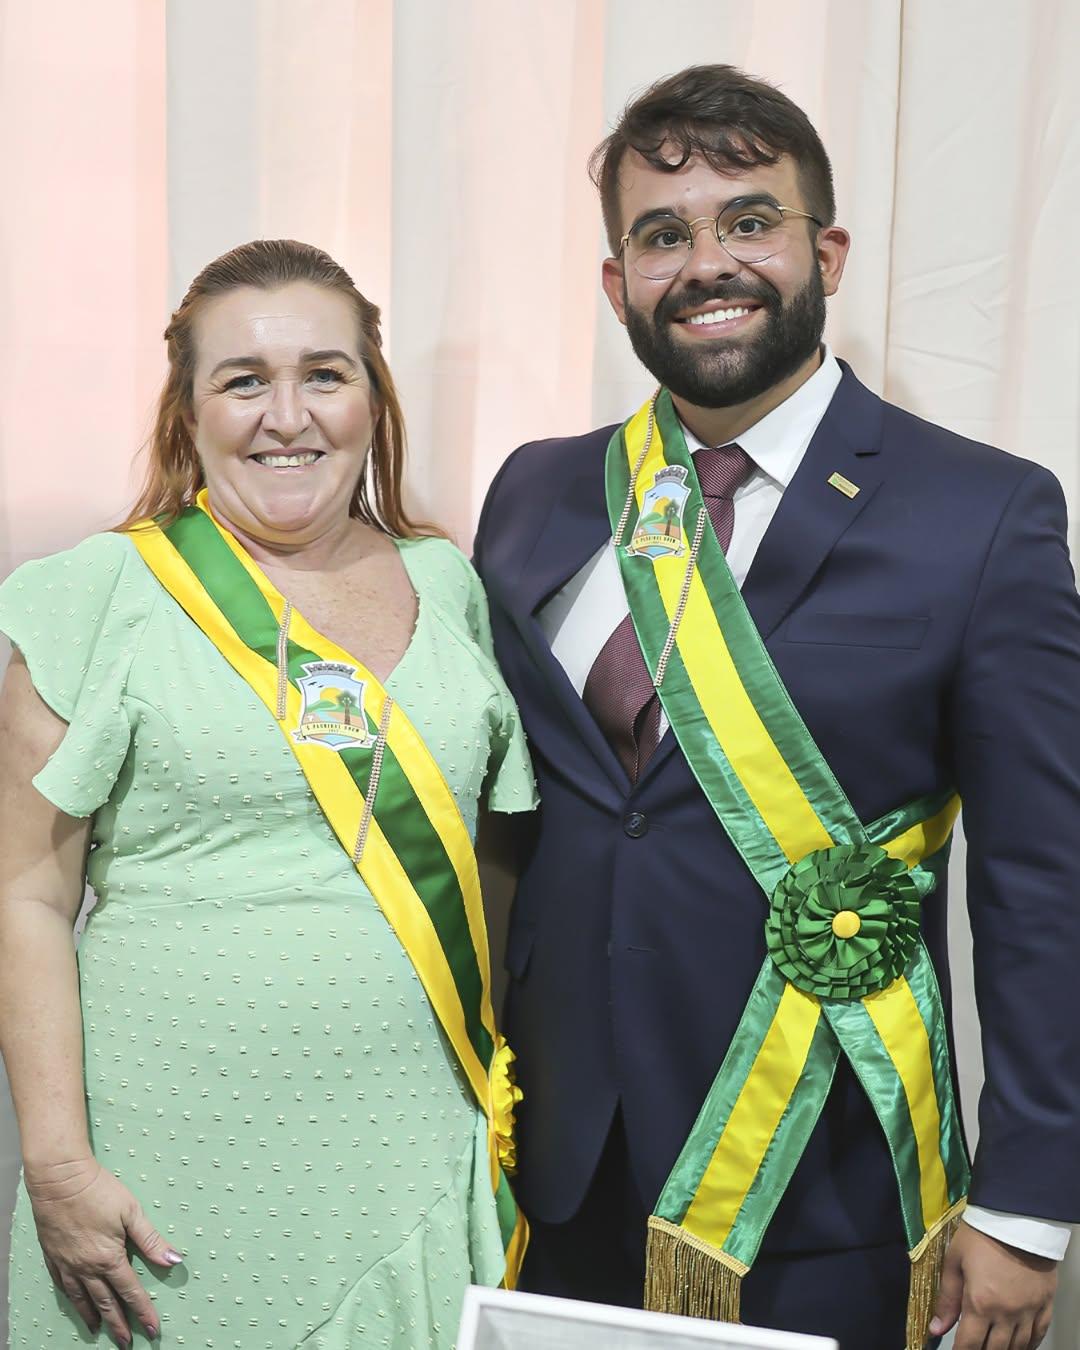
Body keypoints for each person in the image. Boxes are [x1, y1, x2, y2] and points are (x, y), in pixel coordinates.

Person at [472, 65, 1080, 1350]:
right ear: (616, 281)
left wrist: (1029, 1206)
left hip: (828, 1180)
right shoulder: (538, 495)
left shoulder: (983, 514)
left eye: (749, 221)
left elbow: (1044, 880)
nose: (710, 264)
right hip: (554, 1166)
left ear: (827, 251)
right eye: (662, 234)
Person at [0, 238, 535, 1349]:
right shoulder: (95, 594)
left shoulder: (449, 583)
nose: (287, 415)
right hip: (171, 1162)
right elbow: (24, 900)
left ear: (371, 401)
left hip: (407, 1150)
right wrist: (54, 1166)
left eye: (324, 376)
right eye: (244, 380)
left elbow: (490, 866)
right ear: (186, 412)